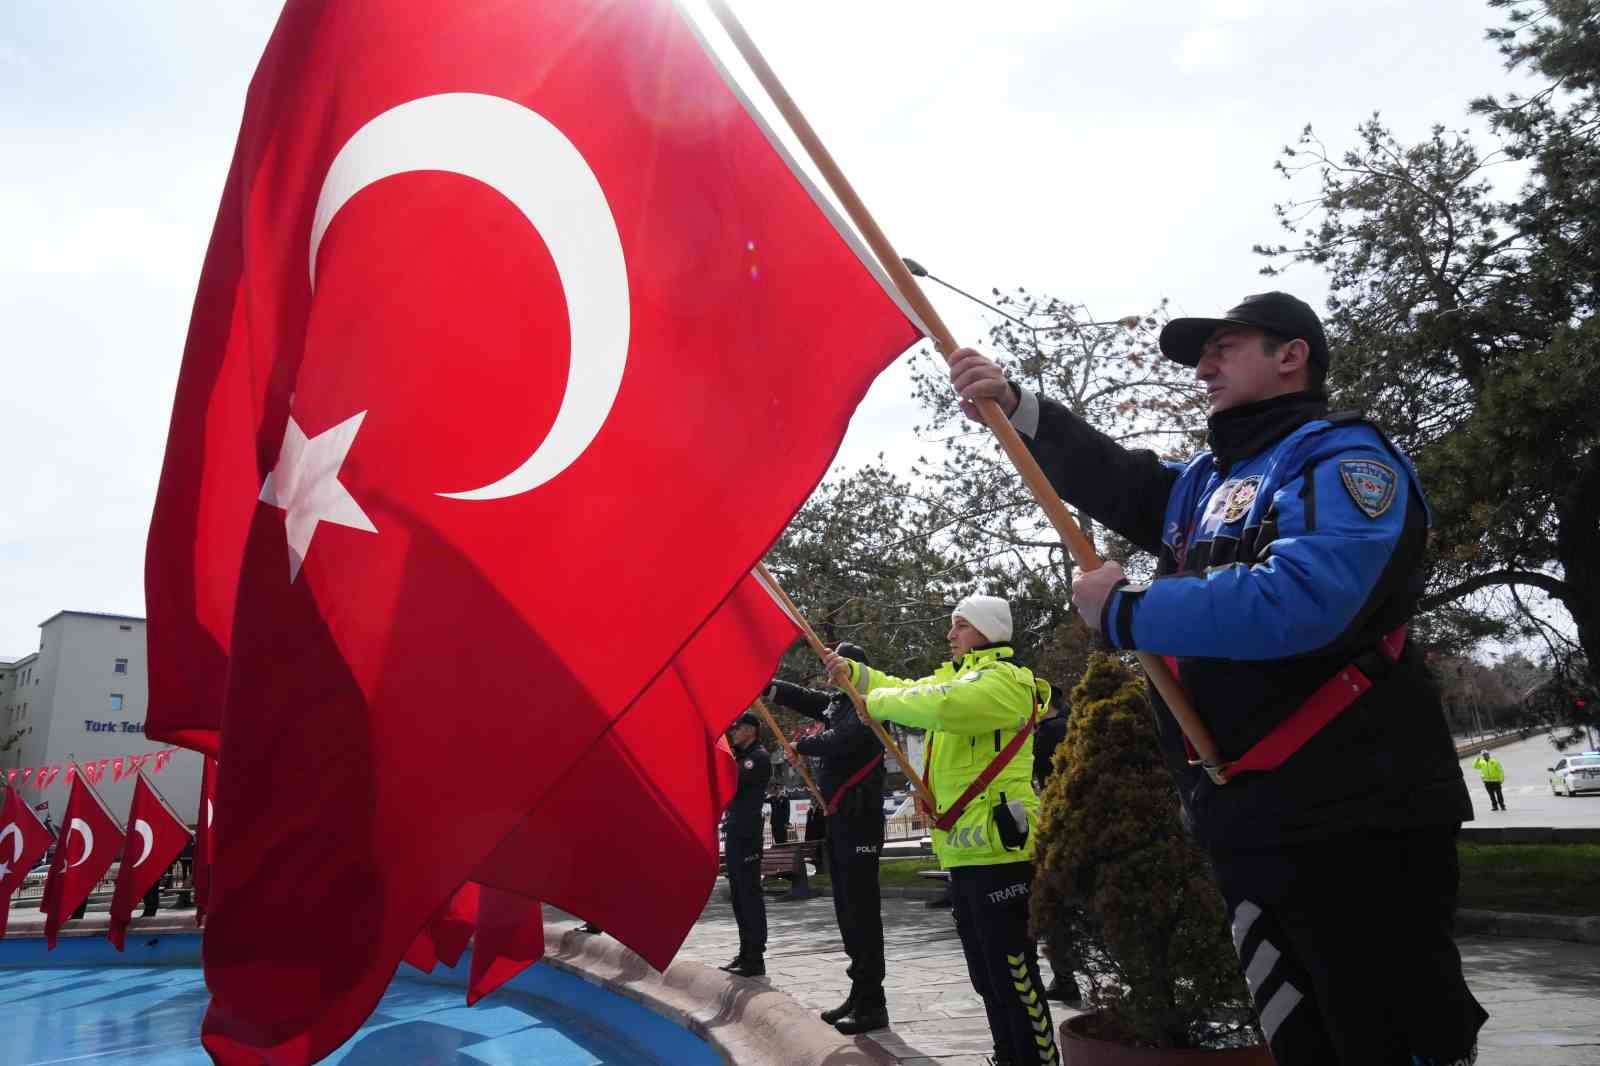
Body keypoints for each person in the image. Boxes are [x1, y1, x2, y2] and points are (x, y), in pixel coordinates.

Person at [947, 291, 1485, 1065]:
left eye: (1223, 347)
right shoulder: (1209, 479)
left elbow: (1305, 600)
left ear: (1291, 354)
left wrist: (1128, 610)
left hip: (1360, 813)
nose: (1202, 366)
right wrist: (1020, 408)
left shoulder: (1344, 459)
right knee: (1300, 1034)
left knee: (1391, 1031)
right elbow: (1120, 481)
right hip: (1249, 819)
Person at [826, 598, 1057, 1066]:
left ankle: (1037, 1060)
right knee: (985, 974)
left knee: (1014, 973)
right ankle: (1007, 1055)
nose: (950, 635)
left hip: (1002, 853)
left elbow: (939, 704)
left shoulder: (1007, 682)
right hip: (964, 854)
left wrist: (872, 702)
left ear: (989, 631)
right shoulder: (957, 675)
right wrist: (856, 674)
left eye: (961, 625)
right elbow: (907, 687)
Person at [767, 642, 889, 1034]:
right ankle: (859, 990)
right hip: (839, 819)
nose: (832, 671)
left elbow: (844, 739)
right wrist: (767, 687)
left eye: (840, 665)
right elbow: (805, 699)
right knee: (846, 909)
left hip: (860, 818)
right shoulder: (839, 702)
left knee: (862, 909)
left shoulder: (869, 702)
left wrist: (801, 745)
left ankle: (874, 1002)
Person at [1030, 687, 1082, 1007]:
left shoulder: (1049, 732)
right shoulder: (1071, 723)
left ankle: (1065, 979)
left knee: (1058, 907)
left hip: (1062, 826)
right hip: (1080, 822)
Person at [720, 711, 771, 978]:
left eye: (738, 728)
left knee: (750, 894)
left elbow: (734, 785)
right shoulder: (741, 759)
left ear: (751, 730)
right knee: (738, 894)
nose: (734, 732)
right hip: (735, 831)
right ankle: (745, 950)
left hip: (747, 833)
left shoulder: (757, 758)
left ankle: (755, 955)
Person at [766, 780, 792, 845]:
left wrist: (786, 822)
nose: (776, 790)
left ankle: (785, 852)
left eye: (777, 788)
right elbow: (763, 800)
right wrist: (768, 793)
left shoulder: (785, 798)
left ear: (780, 789)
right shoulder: (772, 798)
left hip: (782, 823)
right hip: (774, 822)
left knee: (783, 840)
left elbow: (787, 811)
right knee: (776, 839)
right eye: (775, 789)